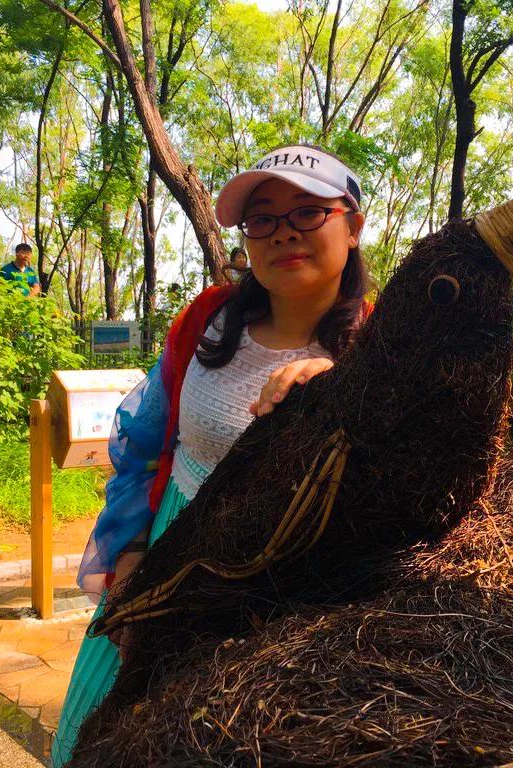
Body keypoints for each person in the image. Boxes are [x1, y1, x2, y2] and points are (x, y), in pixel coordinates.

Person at [51, 144, 371, 765]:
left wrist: (336, 384)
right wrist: (131, 558)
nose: (284, 234)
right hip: (167, 555)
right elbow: (145, 445)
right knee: (105, 729)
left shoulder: (379, 349)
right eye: (263, 219)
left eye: (308, 213)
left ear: (352, 227)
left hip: (283, 602)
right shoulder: (208, 320)